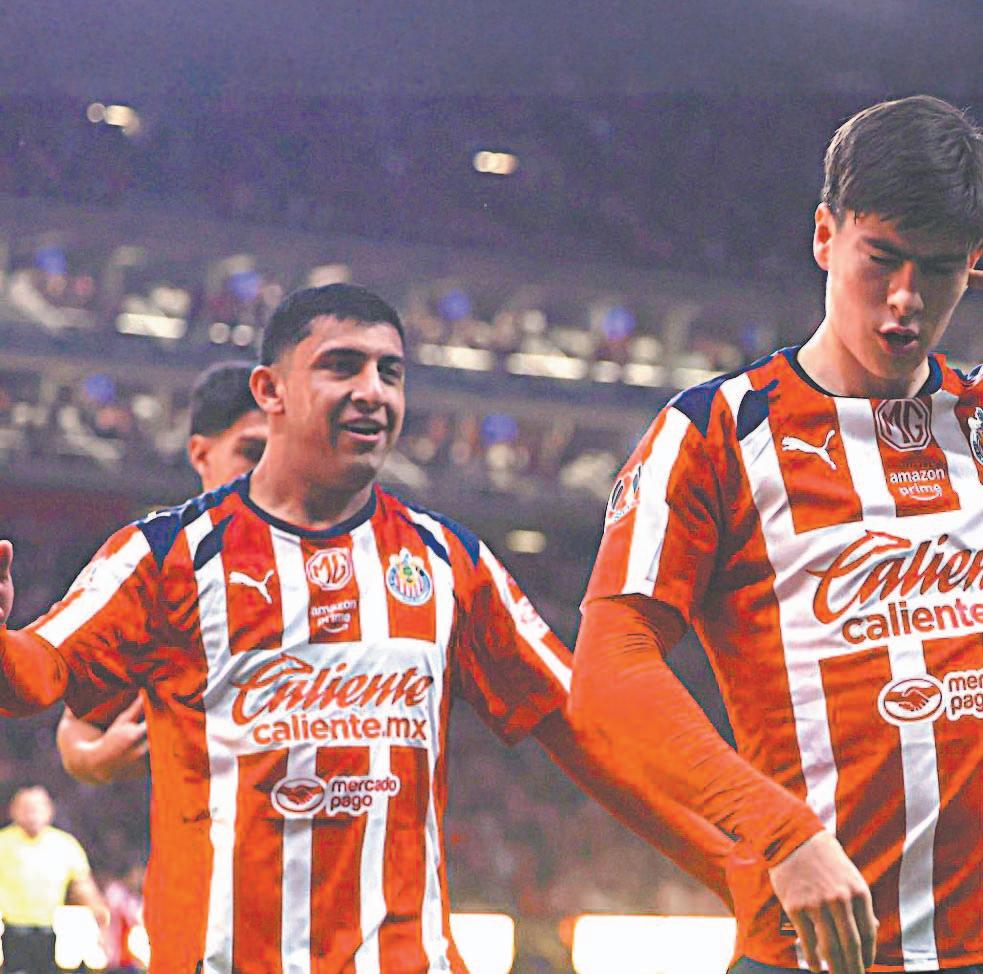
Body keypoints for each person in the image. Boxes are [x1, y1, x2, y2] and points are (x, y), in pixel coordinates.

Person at [0, 283, 734, 973]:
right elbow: (34, 675)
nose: (373, 390)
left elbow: (586, 727)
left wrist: (738, 867)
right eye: (342, 366)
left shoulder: (447, 560)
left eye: (390, 372)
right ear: (270, 390)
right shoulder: (164, 557)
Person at [569, 94, 983, 974]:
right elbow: (607, 670)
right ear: (825, 235)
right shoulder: (715, 431)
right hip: (809, 954)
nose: (905, 301)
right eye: (882, 259)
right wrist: (778, 831)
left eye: (940, 269)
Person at [55, 360, 268, 785]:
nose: (268, 471)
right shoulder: (161, 572)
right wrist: (96, 760)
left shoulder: (340, 567)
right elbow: (77, 729)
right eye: (252, 452)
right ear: (201, 453)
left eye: (282, 455)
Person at [0, 785, 108, 974]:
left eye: (37, 807)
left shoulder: (65, 845)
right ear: (13, 810)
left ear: (49, 810)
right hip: (11, 931)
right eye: (25, 807)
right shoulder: (3, 843)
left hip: (51, 931)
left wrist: (99, 913)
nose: (31, 813)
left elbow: (82, 886)